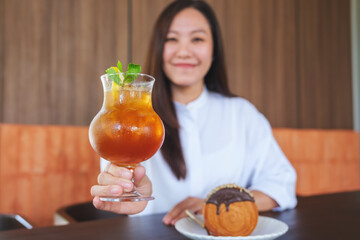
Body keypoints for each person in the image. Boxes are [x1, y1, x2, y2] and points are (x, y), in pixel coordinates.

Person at [91, 0, 297, 226]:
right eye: (172, 39)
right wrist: (128, 190)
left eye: (197, 39)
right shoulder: (130, 120)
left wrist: (219, 204)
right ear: (159, 48)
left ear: (214, 50)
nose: (184, 51)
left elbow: (282, 184)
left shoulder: (242, 114)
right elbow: (125, 193)